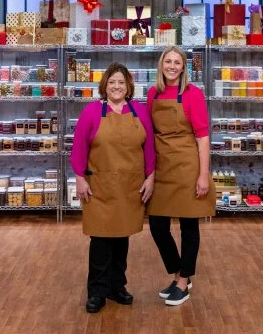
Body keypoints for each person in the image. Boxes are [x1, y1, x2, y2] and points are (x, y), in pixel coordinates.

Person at [70, 62, 156, 314]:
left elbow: (149, 148)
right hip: (100, 186)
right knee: (100, 240)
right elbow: (78, 148)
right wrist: (79, 178)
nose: (116, 87)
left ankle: (117, 287)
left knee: (122, 239)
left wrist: (150, 177)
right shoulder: (92, 112)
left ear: (128, 86)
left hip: (130, 186)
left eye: (121, 82)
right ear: (104, 86)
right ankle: (97, 292)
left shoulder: (139, 112)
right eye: (112, 82)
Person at [146, 46, 215, 306]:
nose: (172, 66)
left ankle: (184, 282)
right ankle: (179, 273)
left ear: (184, 67)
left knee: (189, 226)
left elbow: (203, 136)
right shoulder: (154, 93)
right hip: (163, 165)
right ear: (161, 65)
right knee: (157, 226)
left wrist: (203, 175)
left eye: (177, 62)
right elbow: (149, 132)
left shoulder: (192, 94)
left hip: (187, 164)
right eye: (168, 61)